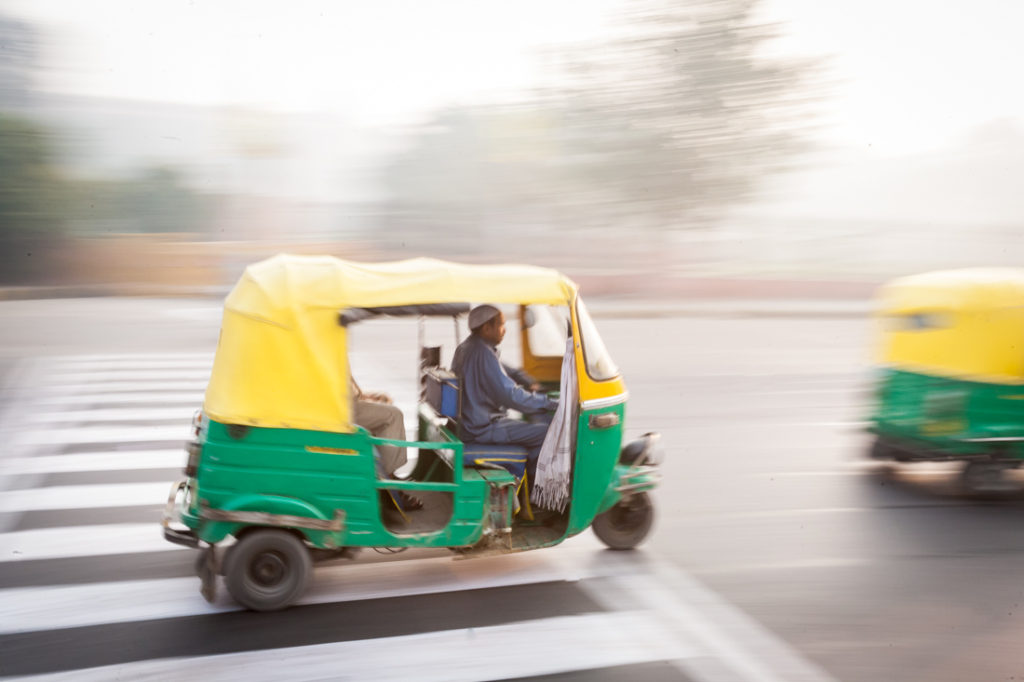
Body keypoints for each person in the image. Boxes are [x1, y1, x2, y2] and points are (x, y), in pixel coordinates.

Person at [451, 304, 557, 481]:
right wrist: (548, 402)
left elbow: (504, 369)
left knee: (535, 427)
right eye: (501, 325)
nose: (504, 330)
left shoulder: (470, 347)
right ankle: (534, 490)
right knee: (546, 433)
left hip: (473, 423)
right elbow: (511, 396)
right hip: (482, 428)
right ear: (486, 328)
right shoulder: (482, 353)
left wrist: (527, 381)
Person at [351, 378, 421, 511]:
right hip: (339, 410)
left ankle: (387, 477)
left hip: (342, 405)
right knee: (393, 416)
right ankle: (387, 483)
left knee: (385, 408)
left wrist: (363, 396)